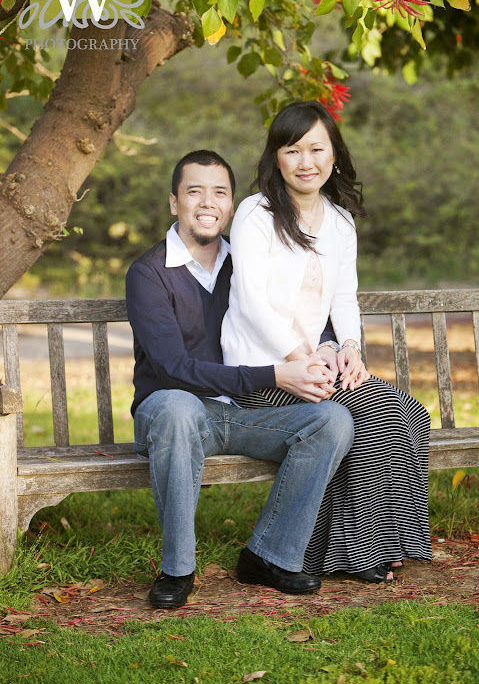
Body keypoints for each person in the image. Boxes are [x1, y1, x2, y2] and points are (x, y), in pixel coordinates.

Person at [125, 150, 355, 609]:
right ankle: (178, 568)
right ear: (174, 202)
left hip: (239, 414)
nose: (207, 203)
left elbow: (302, 316)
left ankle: (269, 555)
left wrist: (333, 345)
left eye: (219, 193)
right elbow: (172, 367)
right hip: (169, 414)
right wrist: (274, 374)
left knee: (330, 420)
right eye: (194, 192)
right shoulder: (148, 273)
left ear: (232, 206)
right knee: (176, 405)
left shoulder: (245, 266)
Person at [221, 101, 432, 582]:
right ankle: (350, 554)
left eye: (316, 149)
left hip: (318, 362)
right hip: (263, 370)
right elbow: (252, 301)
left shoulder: (340, 222)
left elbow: (343, 297)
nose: (305, 161)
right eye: (292, 150)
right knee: (366, 417)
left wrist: (350, 349)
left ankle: (382, 542)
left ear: (334, 155)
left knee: (406, 412)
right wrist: (302, 359)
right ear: (276, 157)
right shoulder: (257, 213)